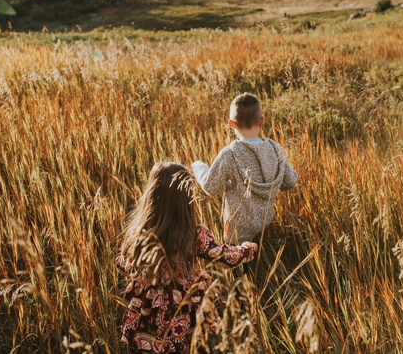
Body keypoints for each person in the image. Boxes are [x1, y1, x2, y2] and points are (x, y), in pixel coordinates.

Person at [117, 162, 256, 353]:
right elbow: (222, 256)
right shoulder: (194, 235)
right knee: (182, 345)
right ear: (187, 199)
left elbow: (124, 266)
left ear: (152, 195)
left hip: (150, 307)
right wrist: (246, 249)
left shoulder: (139, 233)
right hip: (183, 306)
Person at [191, 93, 298, 244]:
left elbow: (211, 187)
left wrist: (198, 167)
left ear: (231, 124)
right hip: (265, 224)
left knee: (240, 265)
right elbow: (290, 181)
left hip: (237, 232)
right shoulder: (275, 149)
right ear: (261, 121)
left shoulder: (229, 154)